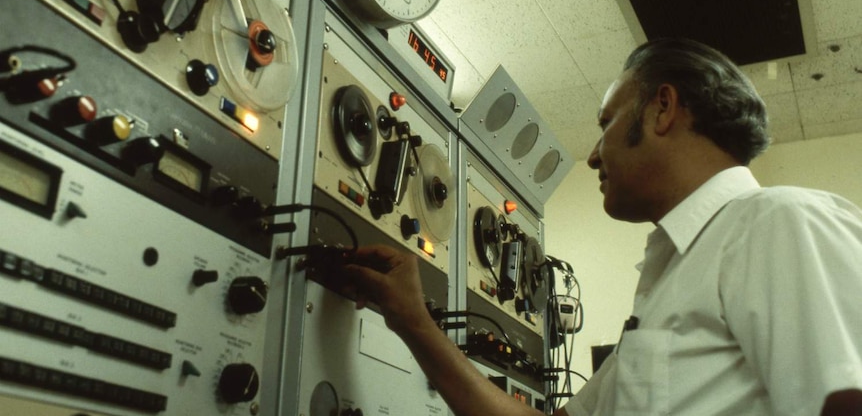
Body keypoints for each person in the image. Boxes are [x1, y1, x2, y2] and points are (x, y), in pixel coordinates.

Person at [347, 38, 862, 415]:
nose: (593, 156)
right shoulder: (667, 284)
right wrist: (414, 322)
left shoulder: (779, 223)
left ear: (663, 109)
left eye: (605, 124)